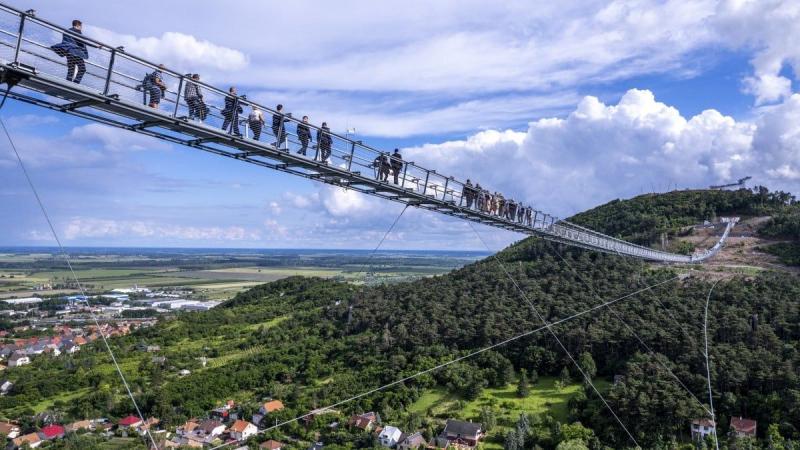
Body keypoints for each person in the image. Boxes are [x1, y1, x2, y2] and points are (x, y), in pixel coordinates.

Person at [51, 20, 88, 84]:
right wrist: (96, 46)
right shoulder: (77, 31)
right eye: (81, 26)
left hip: (68, 52)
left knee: (71, 68)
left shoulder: (66, 31)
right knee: (82, 69)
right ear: (78, 25)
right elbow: (82, 41)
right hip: (76, 52)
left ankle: (68, 82)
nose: (81, 28)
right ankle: (76, 83)